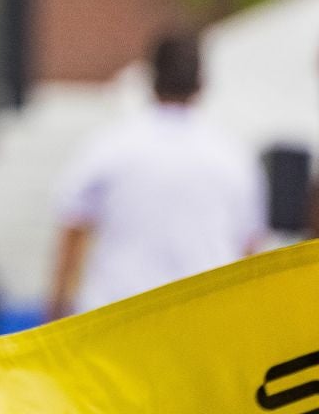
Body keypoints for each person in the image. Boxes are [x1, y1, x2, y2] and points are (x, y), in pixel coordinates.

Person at [46, 31, 266, 318]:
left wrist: (55, 312)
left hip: (119, 319)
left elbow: (72, 233)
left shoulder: (109, 147)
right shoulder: (233, 156)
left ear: (151, 79)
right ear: (202, 82)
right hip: (203, 321)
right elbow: (250, 249)